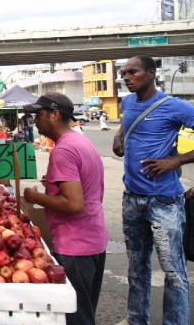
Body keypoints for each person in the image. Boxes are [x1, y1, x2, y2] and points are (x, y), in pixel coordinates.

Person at [112, 55, 194, 325]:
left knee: (173, 272)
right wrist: (119, 137)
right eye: (123, 73)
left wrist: (176, 160)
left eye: (132, 72)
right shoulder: (127, 102)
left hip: (164, 201)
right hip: (132, 199)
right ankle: (137, 321)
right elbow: (126, 124)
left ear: (150, 73)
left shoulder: (175, 107)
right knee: (137, 269)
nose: (126, 77)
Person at [22, 92, 107, 325]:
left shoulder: (63, 151)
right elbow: (86, 188)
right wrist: (52, 184)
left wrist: (35, 196)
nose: (34, 121)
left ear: (55, 115)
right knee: (85, 310)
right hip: (94, 241)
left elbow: (74, 203)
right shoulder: (80, 141)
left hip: (75, 247)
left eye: (38, 115)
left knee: (76, 317)